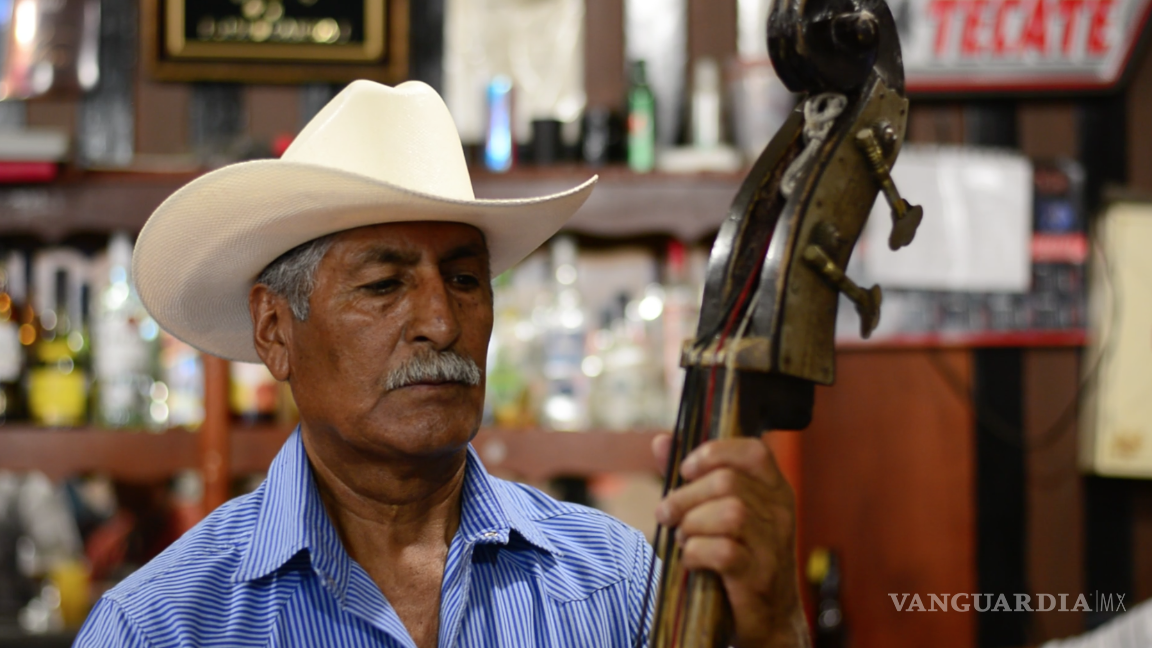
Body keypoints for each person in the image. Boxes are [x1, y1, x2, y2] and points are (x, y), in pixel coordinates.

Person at [73, 80, 807, 648]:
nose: (441, 322)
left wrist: (773, 625)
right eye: (383, 285)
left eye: (463, 279)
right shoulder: (165, 625)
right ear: (274, 330)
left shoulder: (614, 582)